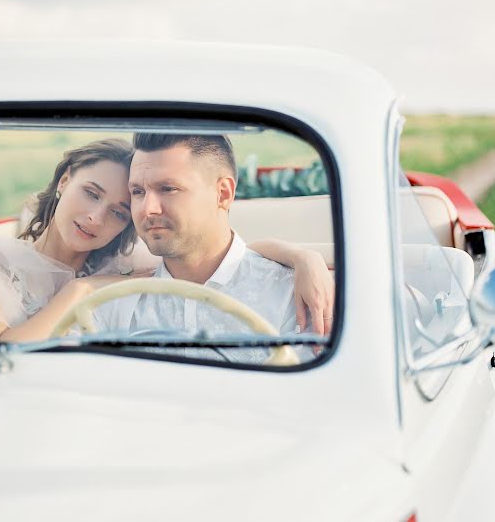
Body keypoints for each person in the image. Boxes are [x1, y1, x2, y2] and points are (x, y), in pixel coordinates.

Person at [0, 136, 333, 342]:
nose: (95, 217)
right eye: (91, 193)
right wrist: (81, 290)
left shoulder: (122, 271)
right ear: (65, 180)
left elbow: (210, 254)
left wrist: (301, 257)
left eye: (119, 211)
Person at [91, 133, 333, 363]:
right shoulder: (115, 299)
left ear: (223, 193)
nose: (147, 209)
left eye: (168, 188)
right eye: (137, 192)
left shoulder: (291, 293)